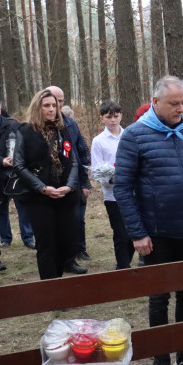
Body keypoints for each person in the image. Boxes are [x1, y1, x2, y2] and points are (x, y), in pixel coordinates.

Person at [115, 76, 183, 365]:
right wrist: (137, 233)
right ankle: (161, 360)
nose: (181, 108)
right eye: (174, 103)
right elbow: (123, 188)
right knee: (160, 297)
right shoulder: (135, 135)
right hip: (156, 234)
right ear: (156, 102)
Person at [12, 88, 82, 278]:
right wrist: (42, 188)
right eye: (47, 106)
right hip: (39, 198)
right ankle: (50, 289)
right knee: (47, 244)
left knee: (66, 243)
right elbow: (18, 165)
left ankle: (58, 284)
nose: (52, 109)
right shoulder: (25, 131)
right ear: (37, 107)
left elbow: (74, 160)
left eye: (54, 105)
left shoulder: (63, 129)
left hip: (65, 195)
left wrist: (69, 186)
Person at [0, 93, 35, 252]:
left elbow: (24, 143)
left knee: (22, 206)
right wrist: (0, 160)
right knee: (0, 208)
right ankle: (5, 238)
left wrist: (16, 157)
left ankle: (28, 237)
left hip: (15, 172)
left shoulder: (13, 124)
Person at [45, 86, 91, 272]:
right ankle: (54, 260)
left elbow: (80, 153)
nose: (57, 106)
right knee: (53, 227)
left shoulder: (70, 124)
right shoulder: (34, 128)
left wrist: (84, 182)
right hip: (48, 186)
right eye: (53, 101)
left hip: (72, 183)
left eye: (61, 101)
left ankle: (71, 259)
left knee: (74, 222)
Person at [91, 100, 134, 270]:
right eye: (109, 117)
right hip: (113, 194)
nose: (113, 120)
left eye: (116, 116)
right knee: (121, 233)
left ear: (121, 116)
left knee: (133, 232)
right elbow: (96, 170)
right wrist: (111, 178)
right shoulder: (98, 141)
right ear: (102, 118)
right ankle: (122, 267)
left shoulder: (129, 135)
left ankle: (127, 261)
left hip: (133, 192)